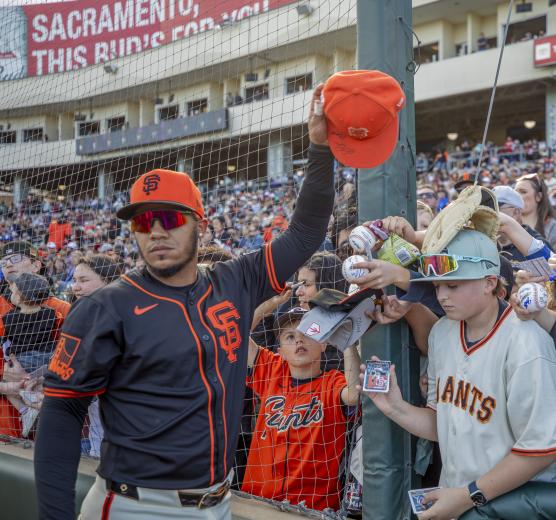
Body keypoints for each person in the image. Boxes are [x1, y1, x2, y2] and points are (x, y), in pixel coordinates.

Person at [35, 87, 338, 520]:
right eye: (143, 220)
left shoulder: (237, 279)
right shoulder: (106, 306)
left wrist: (320, 150)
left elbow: (306, 233)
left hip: (217, 501)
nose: (156, 230)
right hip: (133, 505)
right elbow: (63, 411)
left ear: (200, 224)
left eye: (171, 218)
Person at [361, 229, 556, 520]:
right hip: (458, 500)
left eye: (452, 285)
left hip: (510, 505)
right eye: (438, 286)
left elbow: (540, 450)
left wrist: (468, 496)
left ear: (490, 282)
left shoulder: (526, 341)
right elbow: (444, 423)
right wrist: (395, 407)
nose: (441, 296)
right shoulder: (443, 332)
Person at [242, 307, 360, 511]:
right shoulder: (272, 369)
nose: (299, 340)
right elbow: (237, 333)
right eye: (290, 336)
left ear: (323, 343)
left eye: (308, 333)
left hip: (312, 508)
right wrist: (272, 302)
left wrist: (348, 344)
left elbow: (353, 395)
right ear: (280, 352)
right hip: (257, 502)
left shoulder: (333, 382)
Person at [0, 242, 70, 439]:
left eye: (15, 258)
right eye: (3, 261)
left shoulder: (62, 309)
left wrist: (37, 376)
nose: (7, 265)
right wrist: (6, 381)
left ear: (35, 265)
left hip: (50, 424)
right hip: (4, 425)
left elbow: (75, 364)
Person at [71, 255, 123, 458]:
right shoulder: (79, 314)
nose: (75, 287)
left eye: (84, 281)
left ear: (108, 280)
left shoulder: (123, 316)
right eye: (74, 280)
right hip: (98, 440)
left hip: (123, 443)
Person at [2, 273, 59, 437]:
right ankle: (35, 406)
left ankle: (25, 409)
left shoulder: (8, 317)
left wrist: (8, 355)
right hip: (47, 359)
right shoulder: (52, 313)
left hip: (23, 360)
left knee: (6, 384)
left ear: (19, 298)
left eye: (13, 292)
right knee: (39, 386)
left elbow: (5, 341)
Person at [515, 173, 556, 250]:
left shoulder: (552, 227)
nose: (517, 196)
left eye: (523, 192)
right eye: (515, 192)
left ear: (538, 196)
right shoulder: (509, 227)